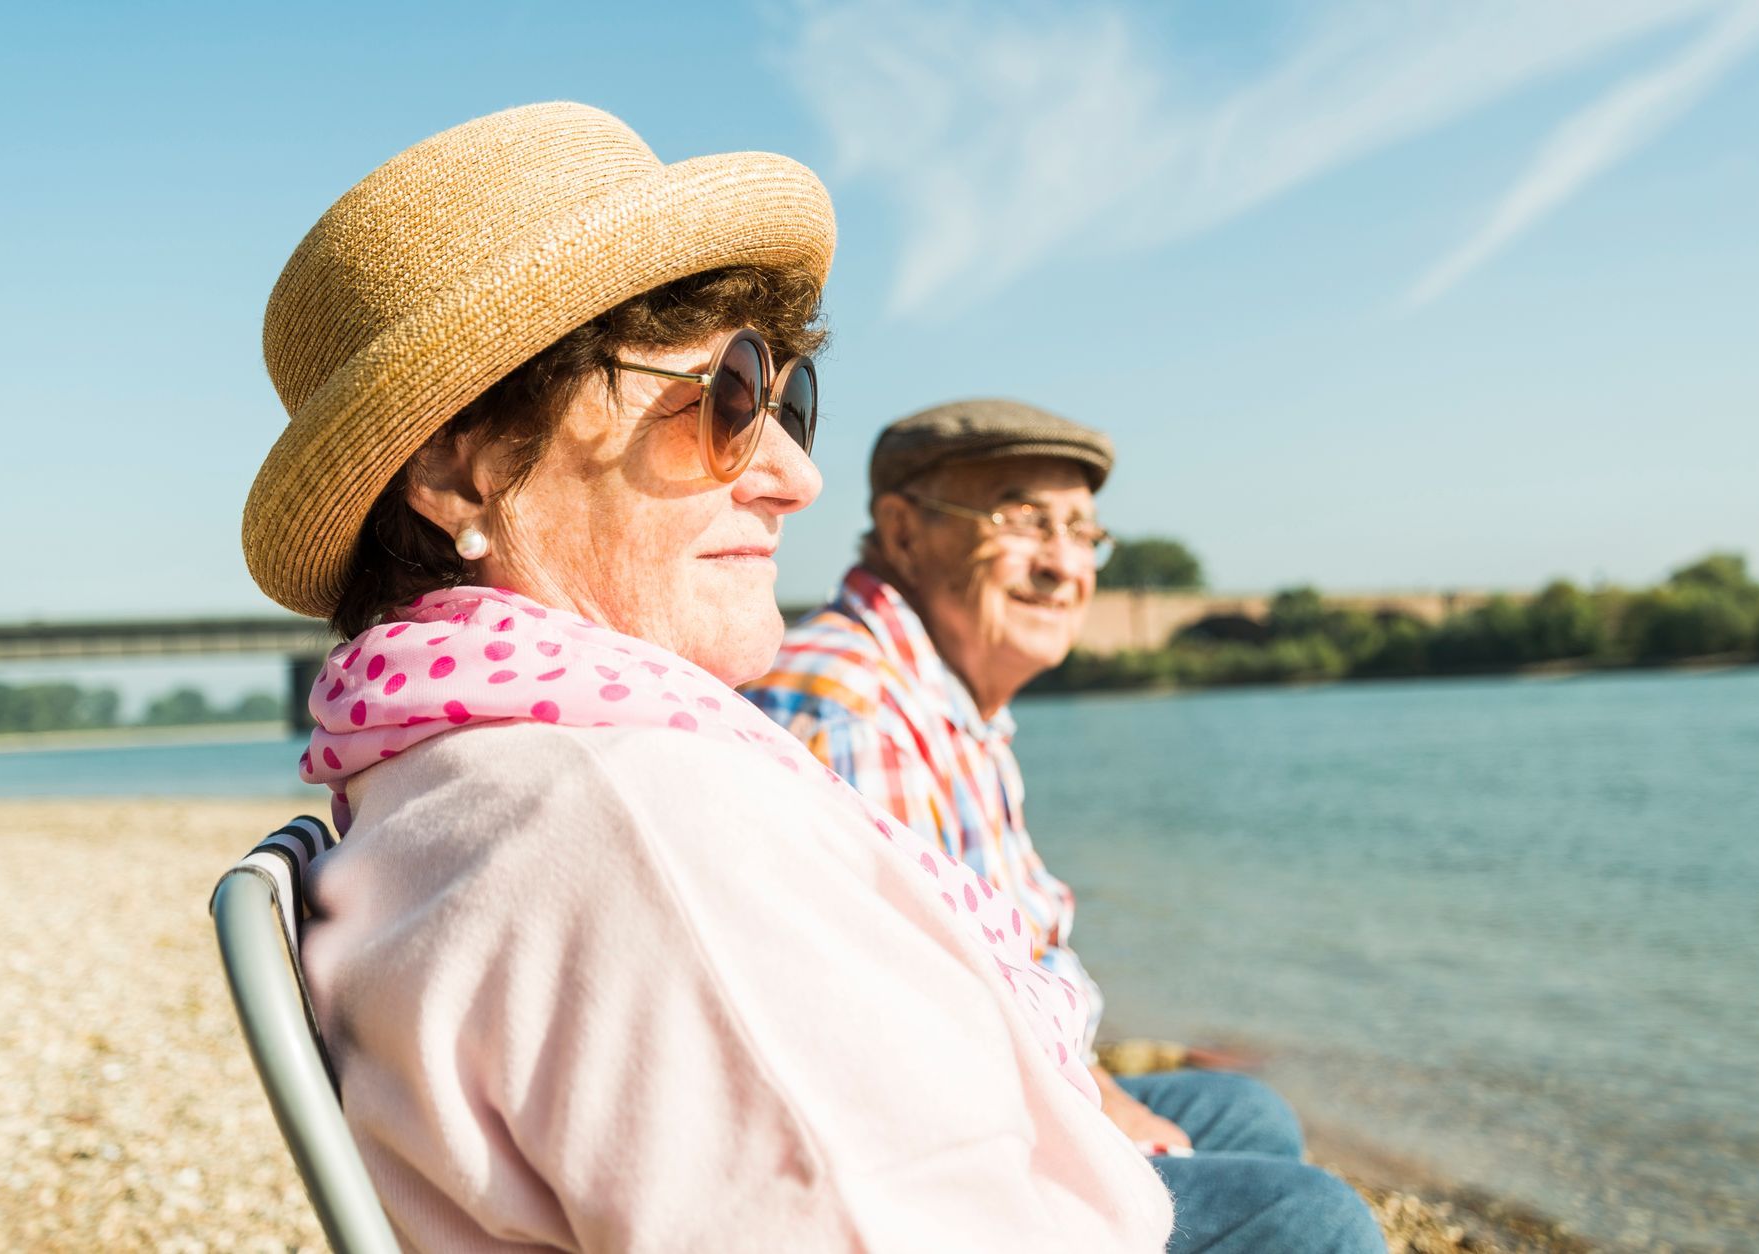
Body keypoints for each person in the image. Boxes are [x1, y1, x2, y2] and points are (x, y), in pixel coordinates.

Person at [242, 103, 1173, 1251]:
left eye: (786, 402)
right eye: (727, 397)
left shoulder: (454, 775)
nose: (792, 475)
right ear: (463, 466)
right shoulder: (631, 823)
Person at [743, 400, 1384, 1253]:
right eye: (1023, 520)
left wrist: (1100, 1095)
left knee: (1247, 1112)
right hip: (916, 1168)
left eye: (1082, 531)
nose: (1062, 565)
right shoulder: (856, 712)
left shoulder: (946, 696)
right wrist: (1103, 1110)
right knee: (1313, 1220)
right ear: (902, 533)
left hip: (995, 1099)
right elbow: (909, 1050)